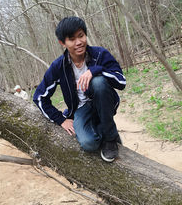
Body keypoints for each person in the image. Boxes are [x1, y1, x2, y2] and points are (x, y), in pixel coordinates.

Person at [33, 16, 126, 162]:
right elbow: (39, 97)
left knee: (99, 82)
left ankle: (110, 137)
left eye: (81, 36)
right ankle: (103, 128)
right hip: (81, 108)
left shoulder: (99, 54)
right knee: (89, 143)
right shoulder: (59, 66)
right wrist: (60, 119)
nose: (79, 42)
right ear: (62, 43)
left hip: (104, 100)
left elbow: (121, 81)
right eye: (72, 39)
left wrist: (96, 70)